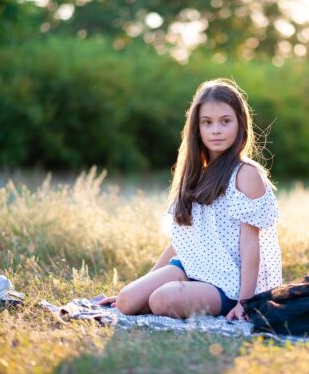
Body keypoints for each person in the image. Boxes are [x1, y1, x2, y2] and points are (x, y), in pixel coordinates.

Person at [99, 78, 282, 321]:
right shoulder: (196, 172)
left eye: (225, 121)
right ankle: (157, 294)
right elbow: (184, 240)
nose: (215, 129)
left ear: (240, 124)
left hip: (227, 280)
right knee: (126, 300)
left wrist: (245, 302)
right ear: (197, 128)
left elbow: (251, 245)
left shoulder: (245, 174)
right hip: (190, 266)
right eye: (207, 123)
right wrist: (142, 285)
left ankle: (198, 298)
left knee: (161, 299)